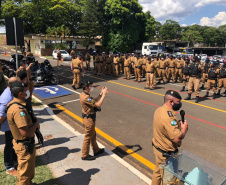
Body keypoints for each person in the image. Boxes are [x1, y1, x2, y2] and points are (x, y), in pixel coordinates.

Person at [152, 90, 188, 185]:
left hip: (158, 149)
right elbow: (176, 138)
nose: (180, 104)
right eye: (178, 102)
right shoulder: (169, 117)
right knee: (169, 180)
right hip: (166, 155)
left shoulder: (159, 110)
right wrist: (184, 129)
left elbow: (165, 130)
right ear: (171, 102)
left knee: (157, 174)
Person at [7, 81, 40, 185]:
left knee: (27, 170)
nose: (27, 92)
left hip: (25, 144)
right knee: (24, 174)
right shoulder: (18, 110)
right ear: (20, 93)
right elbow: (25, 132)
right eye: (26, 91)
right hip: (24, 145)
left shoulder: (15, 104)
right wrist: (36, 125)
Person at [80, 81, 108, 160]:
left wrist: (100, 94)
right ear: (86, 88)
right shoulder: (85, 97)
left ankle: (96, 150)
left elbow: (93, 101)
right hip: (89, 120)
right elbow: (98, 104)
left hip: (90, 118)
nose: (92, 87)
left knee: (93, 135)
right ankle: (84, 155)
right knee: (88, 137)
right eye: (90, 86)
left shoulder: (84, 94)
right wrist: (104, 96)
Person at [0, 77, 19, 176]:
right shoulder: (6, 97)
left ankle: (14, 160)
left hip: (12, 125)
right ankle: (9, 167)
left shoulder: (11, 92)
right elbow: (1, 115)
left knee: (13, 144)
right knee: (9, 146)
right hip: (8, 126)